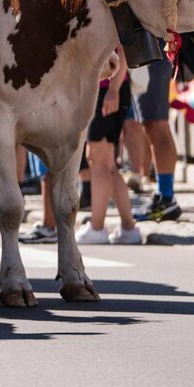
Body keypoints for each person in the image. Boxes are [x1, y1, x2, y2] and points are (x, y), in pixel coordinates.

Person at [76, 46, 142, 245]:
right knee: (108, 164)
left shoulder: (113, 13)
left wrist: (113, 89)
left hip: (107, 89)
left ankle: (97, 227)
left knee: (98, 160)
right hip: (111, 88)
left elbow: (122, 51)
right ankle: (128, 227)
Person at [130, 53, 182, 222]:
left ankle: (166, 198)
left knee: (155, 124)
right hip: (148, 51)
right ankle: (165, 195)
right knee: (156, 125)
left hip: (150, 50)